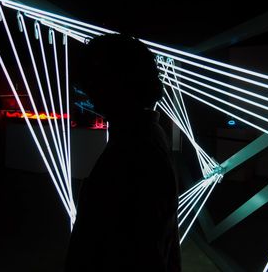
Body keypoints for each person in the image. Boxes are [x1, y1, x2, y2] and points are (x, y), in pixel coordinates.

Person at [65, 34, 181, 271]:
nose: (90, 96)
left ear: (117, 82)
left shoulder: (136, 148)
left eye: (95, 82)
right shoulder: (144, 136)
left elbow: (138, 249)